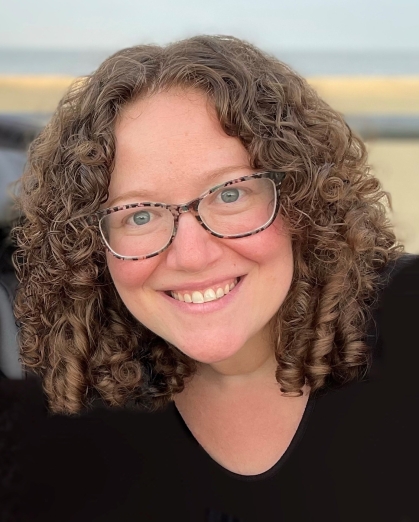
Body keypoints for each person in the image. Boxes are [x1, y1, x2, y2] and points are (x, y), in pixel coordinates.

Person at [9, 35, 418, 522]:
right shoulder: (64, 419)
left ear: (304, 201)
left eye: (229, 195)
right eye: (139, 216)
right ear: (89, 248)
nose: (192, 255)